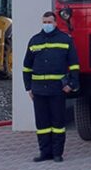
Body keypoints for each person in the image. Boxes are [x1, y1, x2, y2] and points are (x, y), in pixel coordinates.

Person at [22, 11, 80, 162]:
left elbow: (74, 64)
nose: (47, 25)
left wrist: (71, 84)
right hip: (38, 90)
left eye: (49, 22)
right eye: (44, 22)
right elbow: (27, 67)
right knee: (42, 124)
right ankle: (44, 152)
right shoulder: (34, 41)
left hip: (57, 89)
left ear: (55, 23)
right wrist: (28, 88)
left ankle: (57, 153)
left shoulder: (65, 40)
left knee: (58, 123)